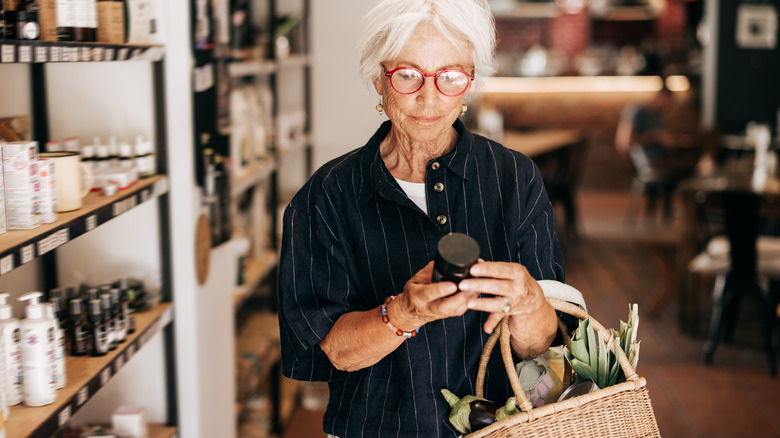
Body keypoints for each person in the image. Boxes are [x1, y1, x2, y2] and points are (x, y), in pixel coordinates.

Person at [277, 1, 563, 436]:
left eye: (449, 76)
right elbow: (334, 352)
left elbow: (542, 348)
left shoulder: (514, 178)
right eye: (408, 74)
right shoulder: (327, 196)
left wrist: (529, 302)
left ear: (470, 82)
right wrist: (404, 313)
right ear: (378, 77)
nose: (429, 98)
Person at [615, 87, 701, 219]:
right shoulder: (638, 111)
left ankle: (681, 212)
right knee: (692, 168)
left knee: (694, 161)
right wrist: (657, 136)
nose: (670, 106)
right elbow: (624, 143)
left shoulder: (658, 115)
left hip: (662, 159)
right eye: (669, 101)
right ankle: (690, 212)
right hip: (649, 164)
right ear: (661, 97)